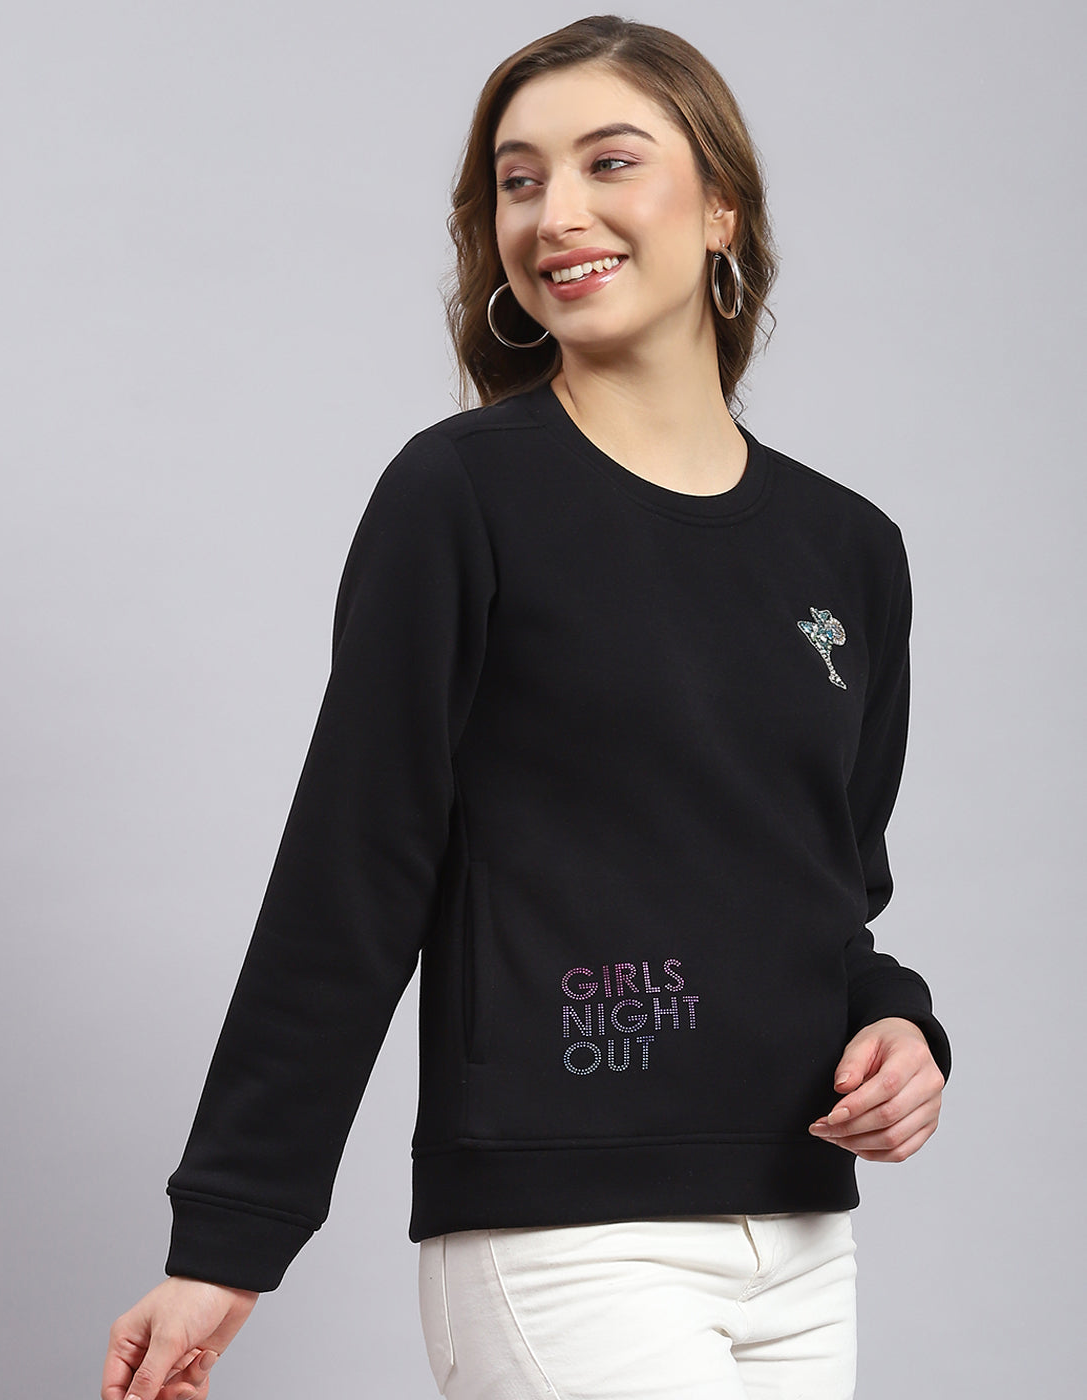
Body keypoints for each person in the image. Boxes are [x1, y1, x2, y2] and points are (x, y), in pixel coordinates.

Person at [101, 15, 950, 1400]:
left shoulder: (848, 549)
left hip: (801, 1232)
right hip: (567, 1237)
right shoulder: (464, 497)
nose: (555, 214)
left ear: (722, 207)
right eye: (518, 179)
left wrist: (903, 1026)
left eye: (610, 162)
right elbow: (353, 874)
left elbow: (826, 890)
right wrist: (230, 1237)